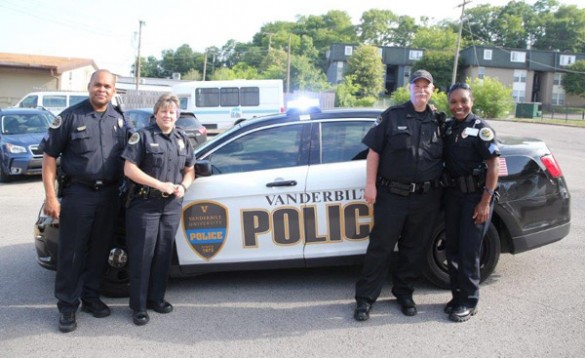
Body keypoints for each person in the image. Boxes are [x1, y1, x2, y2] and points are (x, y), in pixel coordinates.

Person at [41, 69, 131, 333]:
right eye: (97, 85)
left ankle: (91, 297)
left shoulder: (120, 120)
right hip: (79, 194)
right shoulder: (69, 117)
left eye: (107, 86)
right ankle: (67, 307)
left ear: (114, 91)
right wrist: (50, 197)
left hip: (109, 194)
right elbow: (49, 158)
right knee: (72, 252)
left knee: (100, 249)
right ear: (89, 86)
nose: (101, 90)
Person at [354, 70, 444, 321]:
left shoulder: (439, 120)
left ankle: (404, 293)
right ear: (410, 89)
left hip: (425, 198)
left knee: (413, 248)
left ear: (432, 90)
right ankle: (365, 299)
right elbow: (374, 154)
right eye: (417, 86)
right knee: (380, 247)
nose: (422, 90)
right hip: (392, 195)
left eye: (426, 86)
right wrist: (370, 185)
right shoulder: (392, 117)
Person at [122, 94, 195, 326]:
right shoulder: (142, 137)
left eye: (172, 112)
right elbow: (129, 169)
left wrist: (184, 186)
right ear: (156, 114)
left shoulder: (182, 138)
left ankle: (157, 299)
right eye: (163, 111)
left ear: (177, 115)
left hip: (171, 205)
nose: (167, 115)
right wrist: (159, 185)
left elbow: (190, 169)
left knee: (164, 254)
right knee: (143, 255)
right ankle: (139, 306)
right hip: (145, 204)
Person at [442, 82, 500, 322]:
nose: (459, 106)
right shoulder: (448, 127)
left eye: (463, 101)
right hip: (454, 196)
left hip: (476, 197)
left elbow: (493, 165)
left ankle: (469, 301)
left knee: (469, 251)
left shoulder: (481, 129)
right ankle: (457, 296)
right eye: (454, 102)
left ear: (471, 101)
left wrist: (485, 202)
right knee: (453, 248)